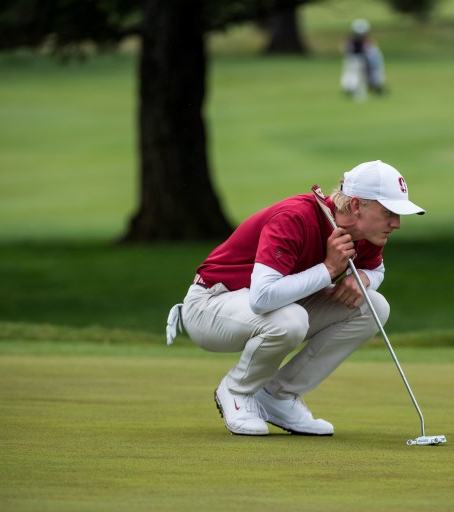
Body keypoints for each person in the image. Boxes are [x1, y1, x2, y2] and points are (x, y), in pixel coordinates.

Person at [165, 160, 425, 437]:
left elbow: (376, 269)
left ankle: (278, 395)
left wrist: (364, 278)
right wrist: (328, 269)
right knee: (290, 319)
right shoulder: (295, 217)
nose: (396, 224)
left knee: (373, 305)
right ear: (358, 206)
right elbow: (263, 298)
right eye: (389, 212)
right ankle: (236, 390)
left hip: (271, 307)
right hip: (210, 306)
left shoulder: (365, 235)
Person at [340, 19, 386, 101]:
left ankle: (352, 89)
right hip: (359, 59)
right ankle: (354, 90)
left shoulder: (351, 39)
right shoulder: (362, 40)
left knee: (354, 75)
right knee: (358, 75)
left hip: (354, 59)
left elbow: (344, 49)